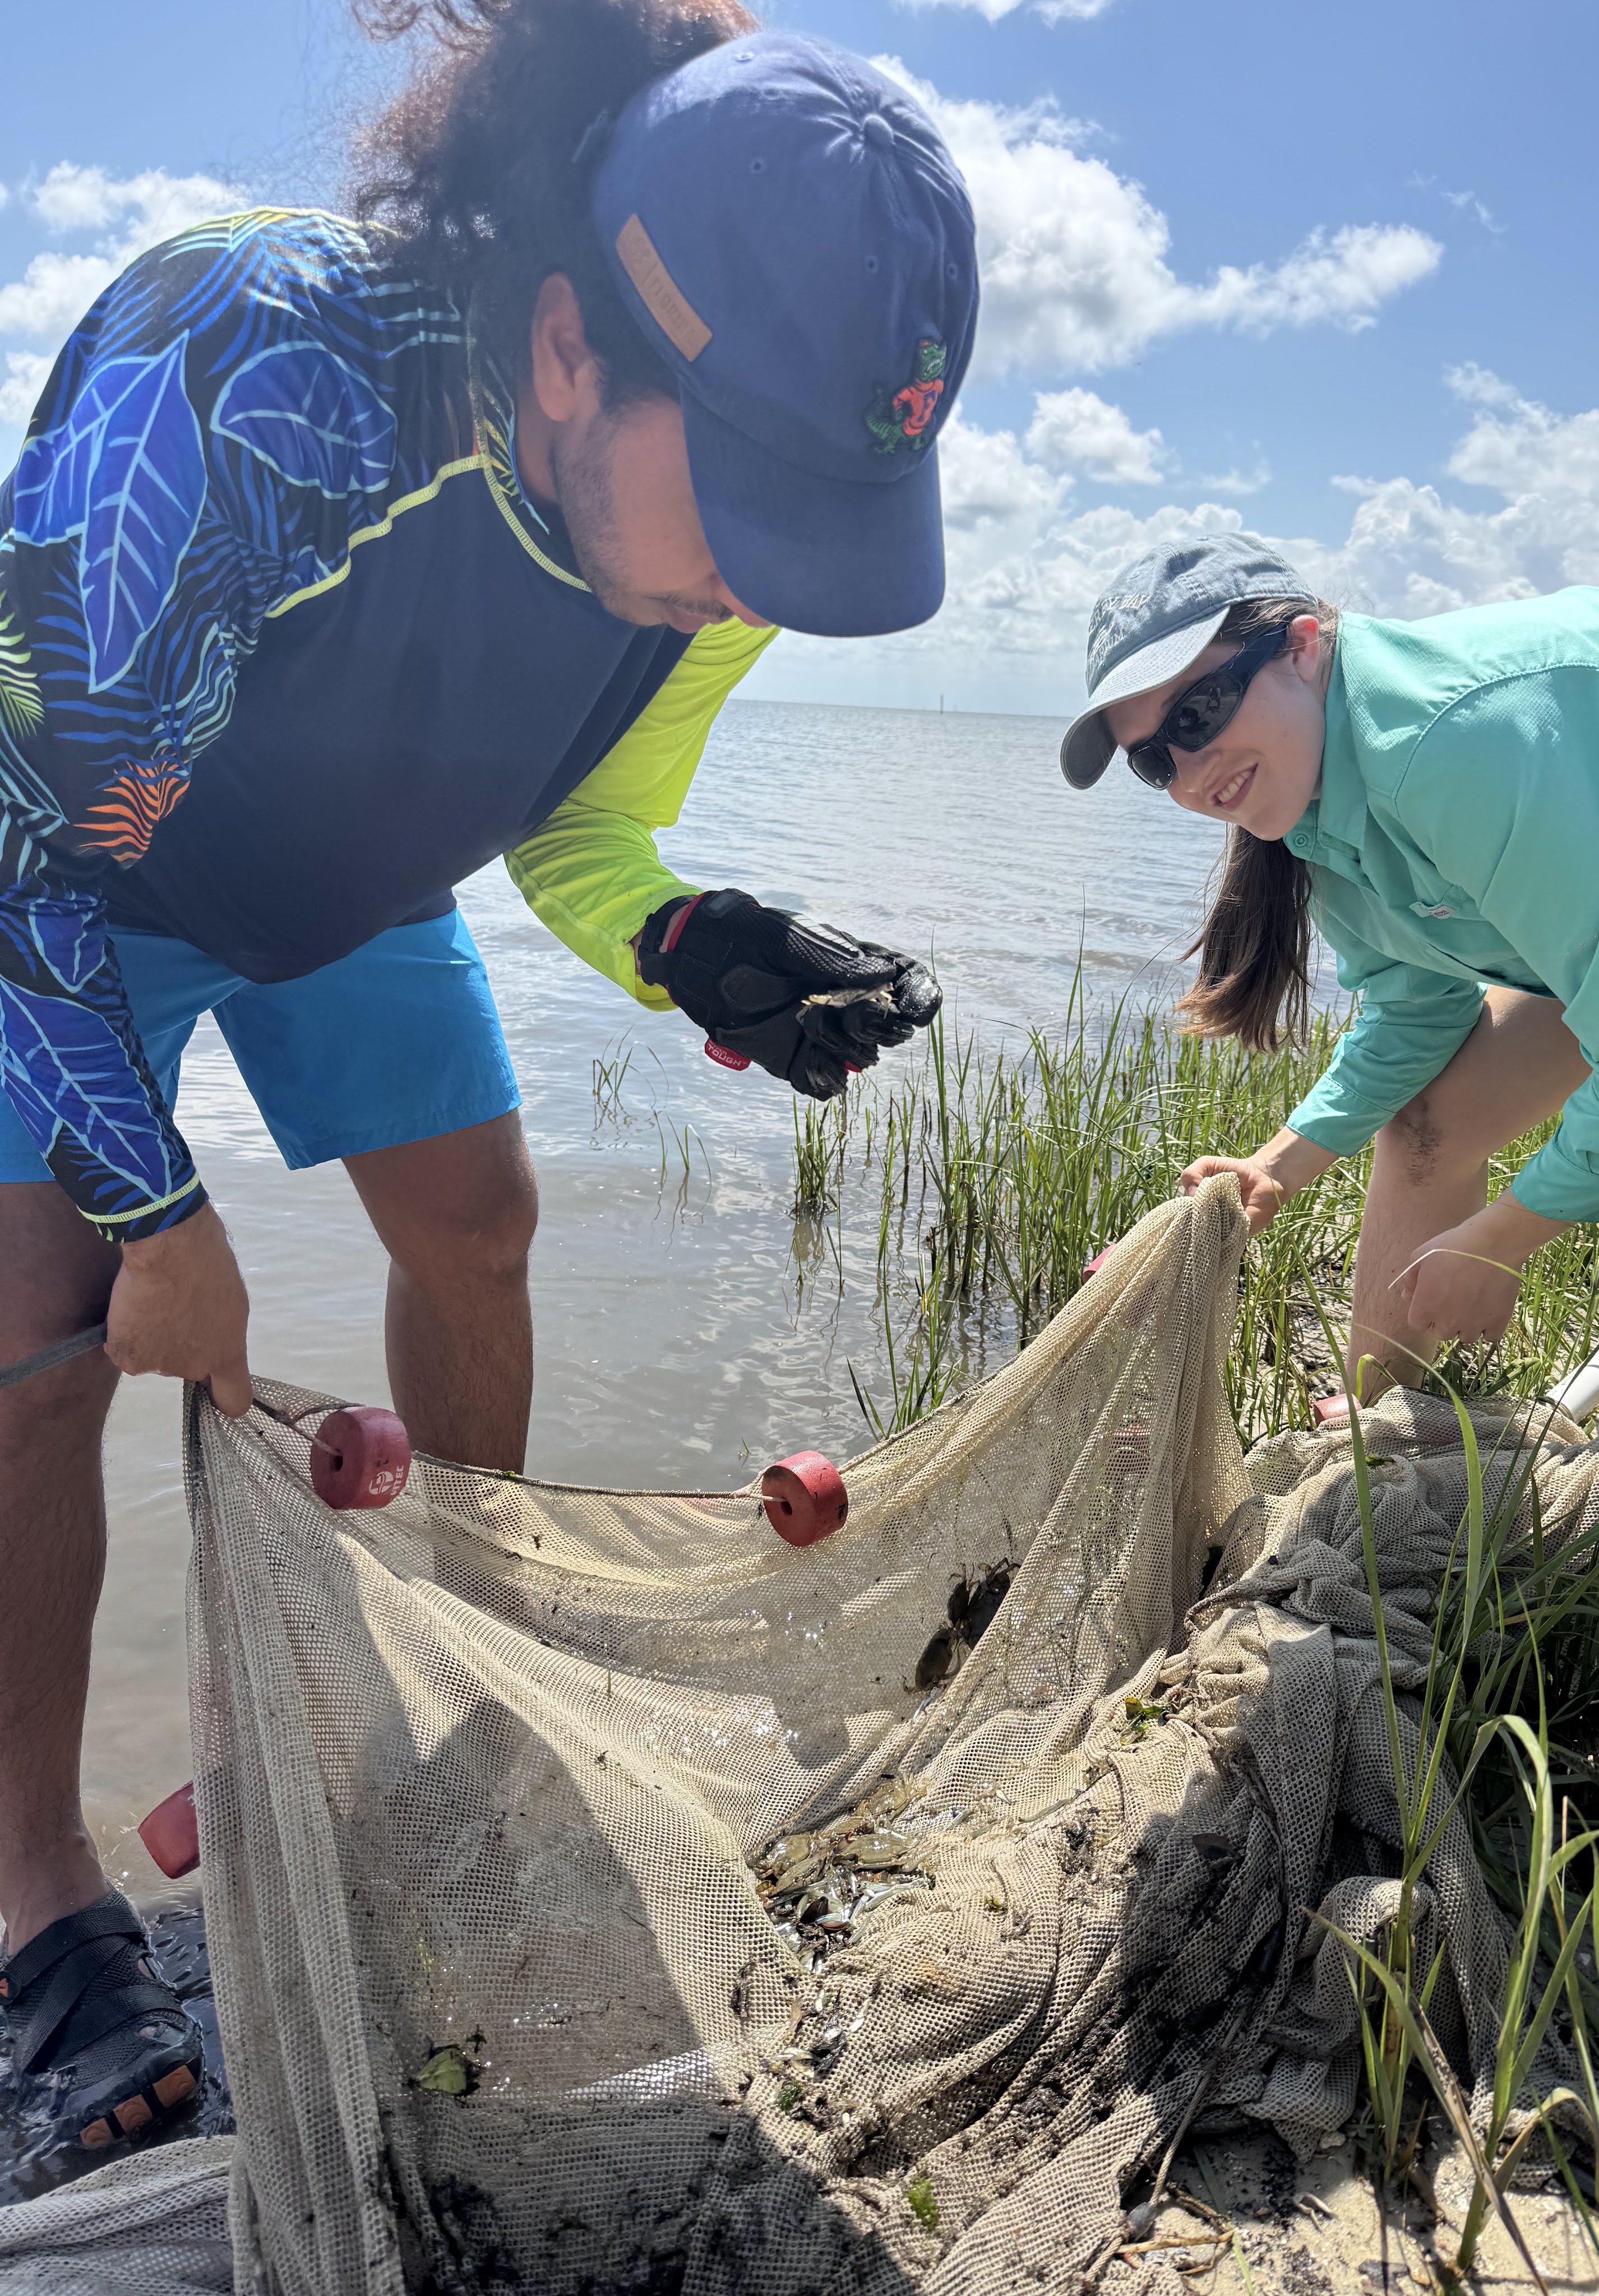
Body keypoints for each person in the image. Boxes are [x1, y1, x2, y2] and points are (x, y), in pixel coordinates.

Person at [0, 0, 976, 2155]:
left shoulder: (734, 551)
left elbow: (577, 821)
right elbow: (24, 841)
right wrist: (163, 1221)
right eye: (752, 506)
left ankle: (462, 1674)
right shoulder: (247, 368)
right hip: (71, 883)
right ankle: (45, 1898)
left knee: (485, 1230)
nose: (766, 582)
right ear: (561, 350)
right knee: (41, 1345)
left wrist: (686, 938)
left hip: (356, 876)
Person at [1059, 533, 1599, 1466]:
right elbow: (1417, 1014)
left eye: (1198, 713)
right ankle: (1380, 1439)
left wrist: (1500, 1240)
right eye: (1154, 761)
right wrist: (1275, 1166)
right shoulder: (1319, 802)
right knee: (1424, 1122)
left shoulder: (1461, 744)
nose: (1192, 775)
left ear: (1303, 645)